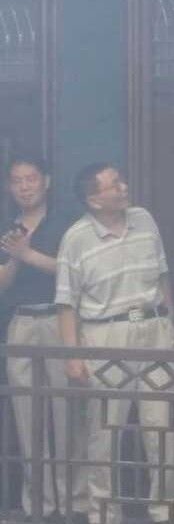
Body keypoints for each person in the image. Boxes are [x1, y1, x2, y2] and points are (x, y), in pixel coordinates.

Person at [56, 162, 174, 524]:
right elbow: (66, 303)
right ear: (94, 199)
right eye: (115, 185)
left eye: (122, 181)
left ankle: (167, 513)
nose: (124, 188)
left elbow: (163, 276)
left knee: (163, 430)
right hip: (105, 335)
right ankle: (104, 515)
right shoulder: (76, 238)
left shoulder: (144, 219)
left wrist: (172, 325)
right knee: (105, 434)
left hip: (154, 329)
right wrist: (73, 356)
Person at [0, 159, 87, 521]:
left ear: (46, 181)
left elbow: (72, 272)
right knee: (27, 415)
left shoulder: (67, 222)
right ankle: (40, 503)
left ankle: (74, 502)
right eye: (17, 181)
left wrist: (27, 253)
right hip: (21, 321)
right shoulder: (7, 225)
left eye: (31, 179)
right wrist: (15, 257)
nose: (24, 186)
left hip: (58, 319)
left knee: (68, 412)